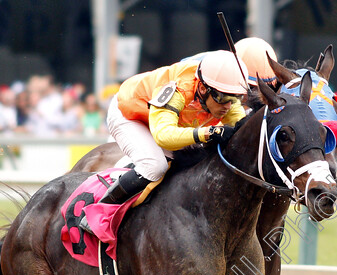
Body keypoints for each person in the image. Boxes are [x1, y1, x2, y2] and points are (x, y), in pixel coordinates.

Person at [91, 50, 248, 210]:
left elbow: (243, 132)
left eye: (236, 98)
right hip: (130, 115)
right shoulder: (179, 90)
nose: (228, 106)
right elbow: (163, 136)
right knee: (155, 166)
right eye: (222, 98)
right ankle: (100, 209)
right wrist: (208, 133)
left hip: (164, 121)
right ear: (202, 88)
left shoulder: (223, 93)